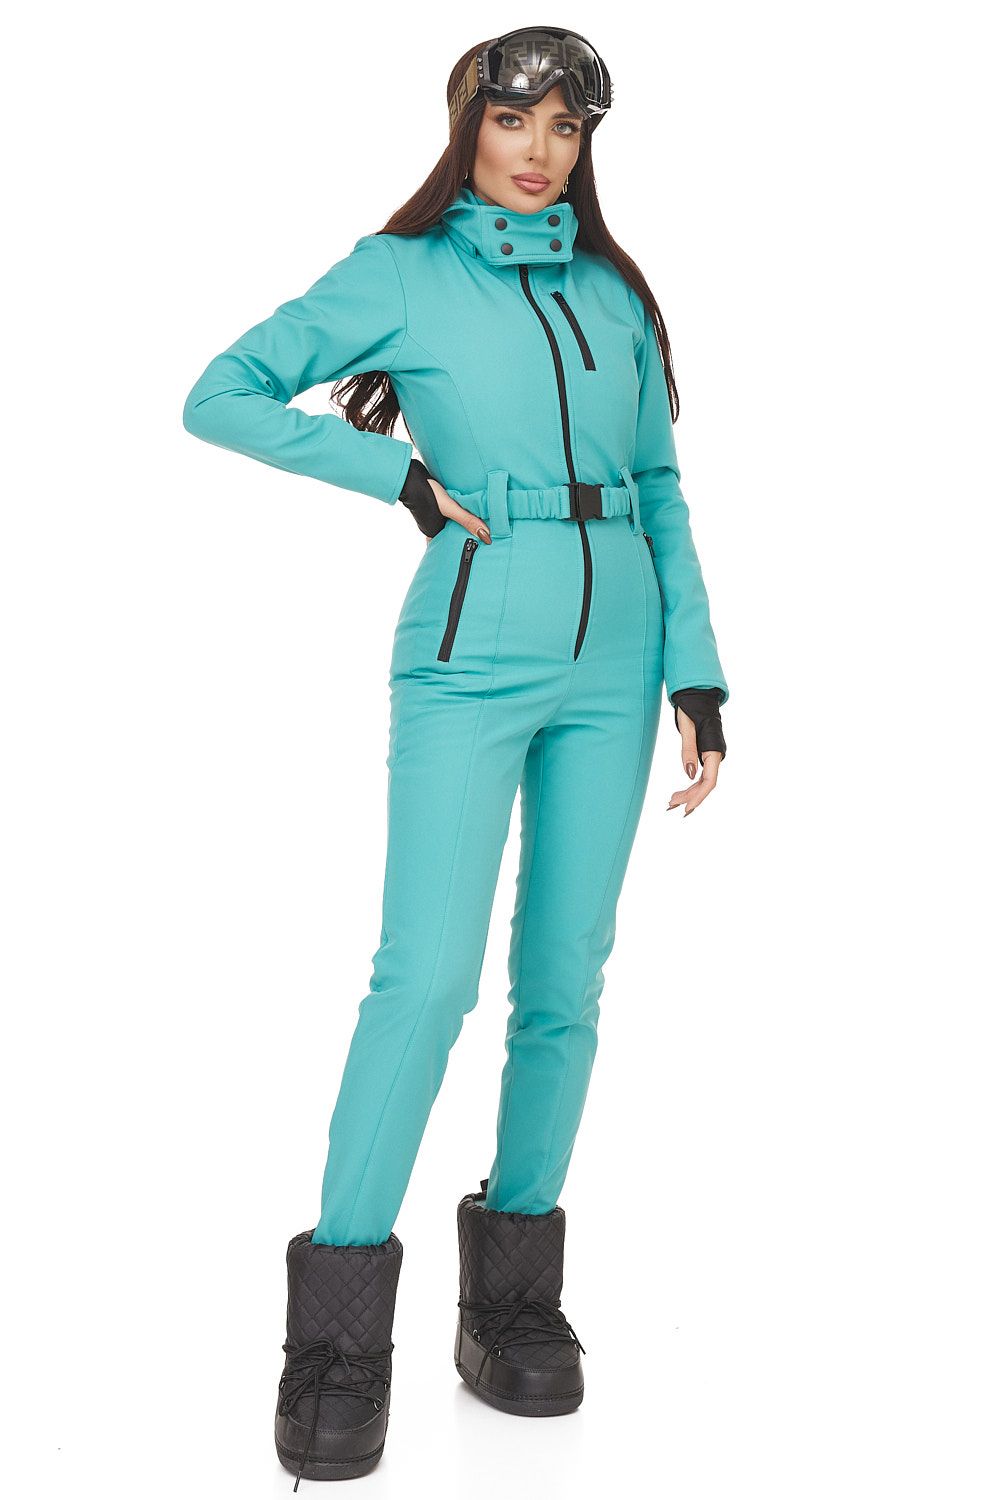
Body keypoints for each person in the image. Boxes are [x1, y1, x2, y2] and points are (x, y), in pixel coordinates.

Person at [182, 26, 729, 1487]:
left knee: (564, 984)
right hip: (470, 650)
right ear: (466, 126)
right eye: (514, 120)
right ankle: (338, 1339)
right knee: (423, 979)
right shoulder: (402, 273)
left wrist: (697, 670)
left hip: (618, 663)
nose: (539, 151)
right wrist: (400, 481)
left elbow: (661, 484)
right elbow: (221, 391)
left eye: (565, 127)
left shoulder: (616, 293)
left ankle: (511, 1305)